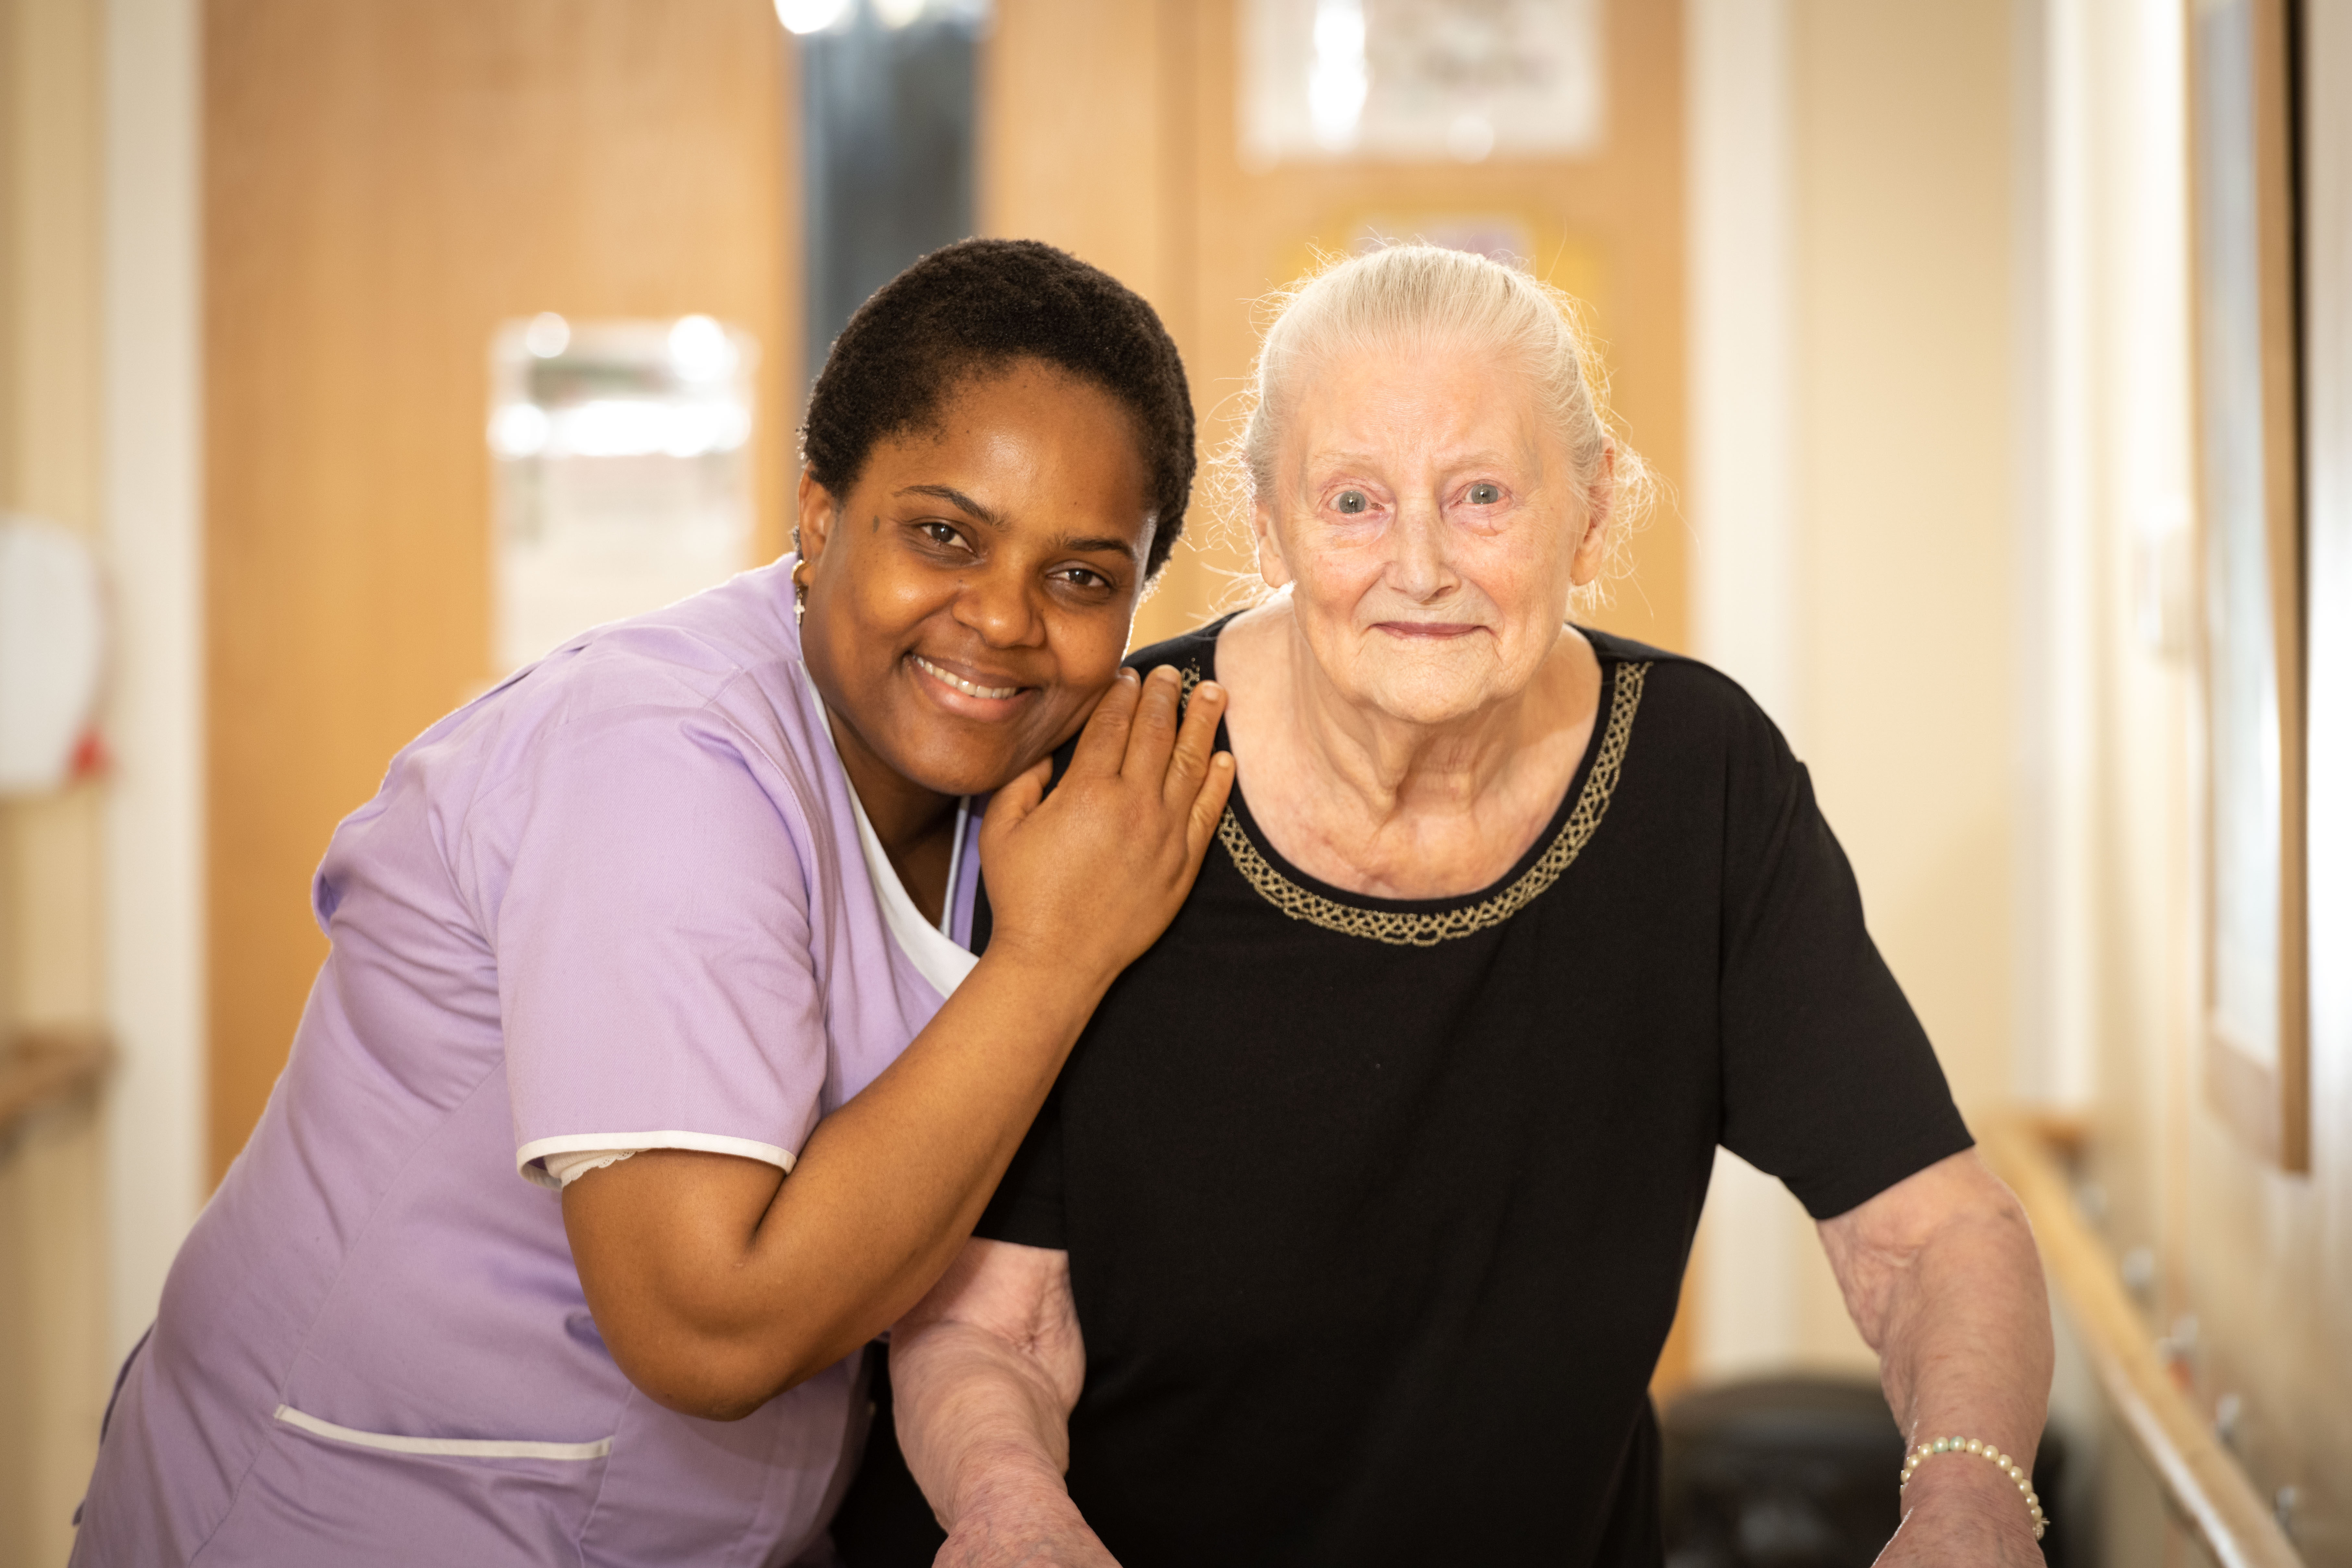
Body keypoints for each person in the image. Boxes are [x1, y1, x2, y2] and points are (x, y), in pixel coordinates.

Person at [870, 244, 2055, 1567]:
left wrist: (1970, 1498)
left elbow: (1931, 1233)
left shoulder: (1696, 781)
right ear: (1264, 527)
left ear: (1590, 515)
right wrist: (1009, 1509)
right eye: (1354, 503)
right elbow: (989, 1323)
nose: (1420, 568)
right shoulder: (1113, 777)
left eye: (1482, 495)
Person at [68, 238, 1237, 1567]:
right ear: (815, 516)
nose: (1005, 619)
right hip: (359, 1519)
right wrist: (1054, 962)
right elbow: (706, 1326)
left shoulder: (1023, 794)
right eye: (944, 536)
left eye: (1081, 576)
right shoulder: (657, 757)